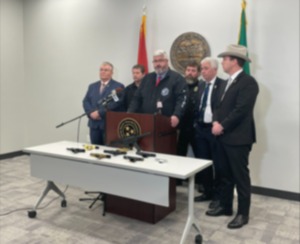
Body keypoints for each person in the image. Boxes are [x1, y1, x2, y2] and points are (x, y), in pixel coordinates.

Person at [206, 44, 259, 229]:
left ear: (234, 61)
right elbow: (218, 106)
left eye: (225, 59)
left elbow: (241, 110)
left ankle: (243, 214)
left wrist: (222, 125)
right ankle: (225, 207)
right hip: (222, 136)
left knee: (240, 177)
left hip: (238, 139)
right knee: (224, 174)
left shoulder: (249, 82)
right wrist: (215, 121)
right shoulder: (225, 81)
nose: (222, 62)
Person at [193, 57, 225, 208]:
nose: (202, 72)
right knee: (203, 163)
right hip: (200, 129)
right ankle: (207, 191)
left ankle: (218, 197)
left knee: (218, 164)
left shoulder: (223, 85)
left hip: (215, 130)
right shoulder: (200, 85)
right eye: (202, 68)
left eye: (205, 68)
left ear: (214, 69)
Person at [128, 50, 187, 128]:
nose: (157, 64)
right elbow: (136, 98)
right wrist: (129, 113)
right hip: (146, 123)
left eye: (160, 60)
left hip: (167, 124)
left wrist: (176, 115)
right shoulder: (147, 78)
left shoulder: (177, 78)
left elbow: (182, 99)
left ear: (167, 61)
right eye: (155, 61)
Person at [83, 62, 124, 145]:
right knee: (95, 151)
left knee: (108, 151)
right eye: (101, 70)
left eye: (106, 70)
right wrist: (91, 113)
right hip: (94, 125)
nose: (103, 72)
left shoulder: (118, 86)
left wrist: (99, 113)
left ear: (112, 73)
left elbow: (116, 103)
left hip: (108, 125)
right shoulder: (92, 86)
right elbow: (86, 101)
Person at [177, 61, 201, 157]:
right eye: (188, 70)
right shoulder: (179, 86)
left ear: (198, 73)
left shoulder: (202, 86)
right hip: (181, 127)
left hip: (196, 128)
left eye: (193, 70)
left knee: (199, 155)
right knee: (179, 155)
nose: (190, 73)